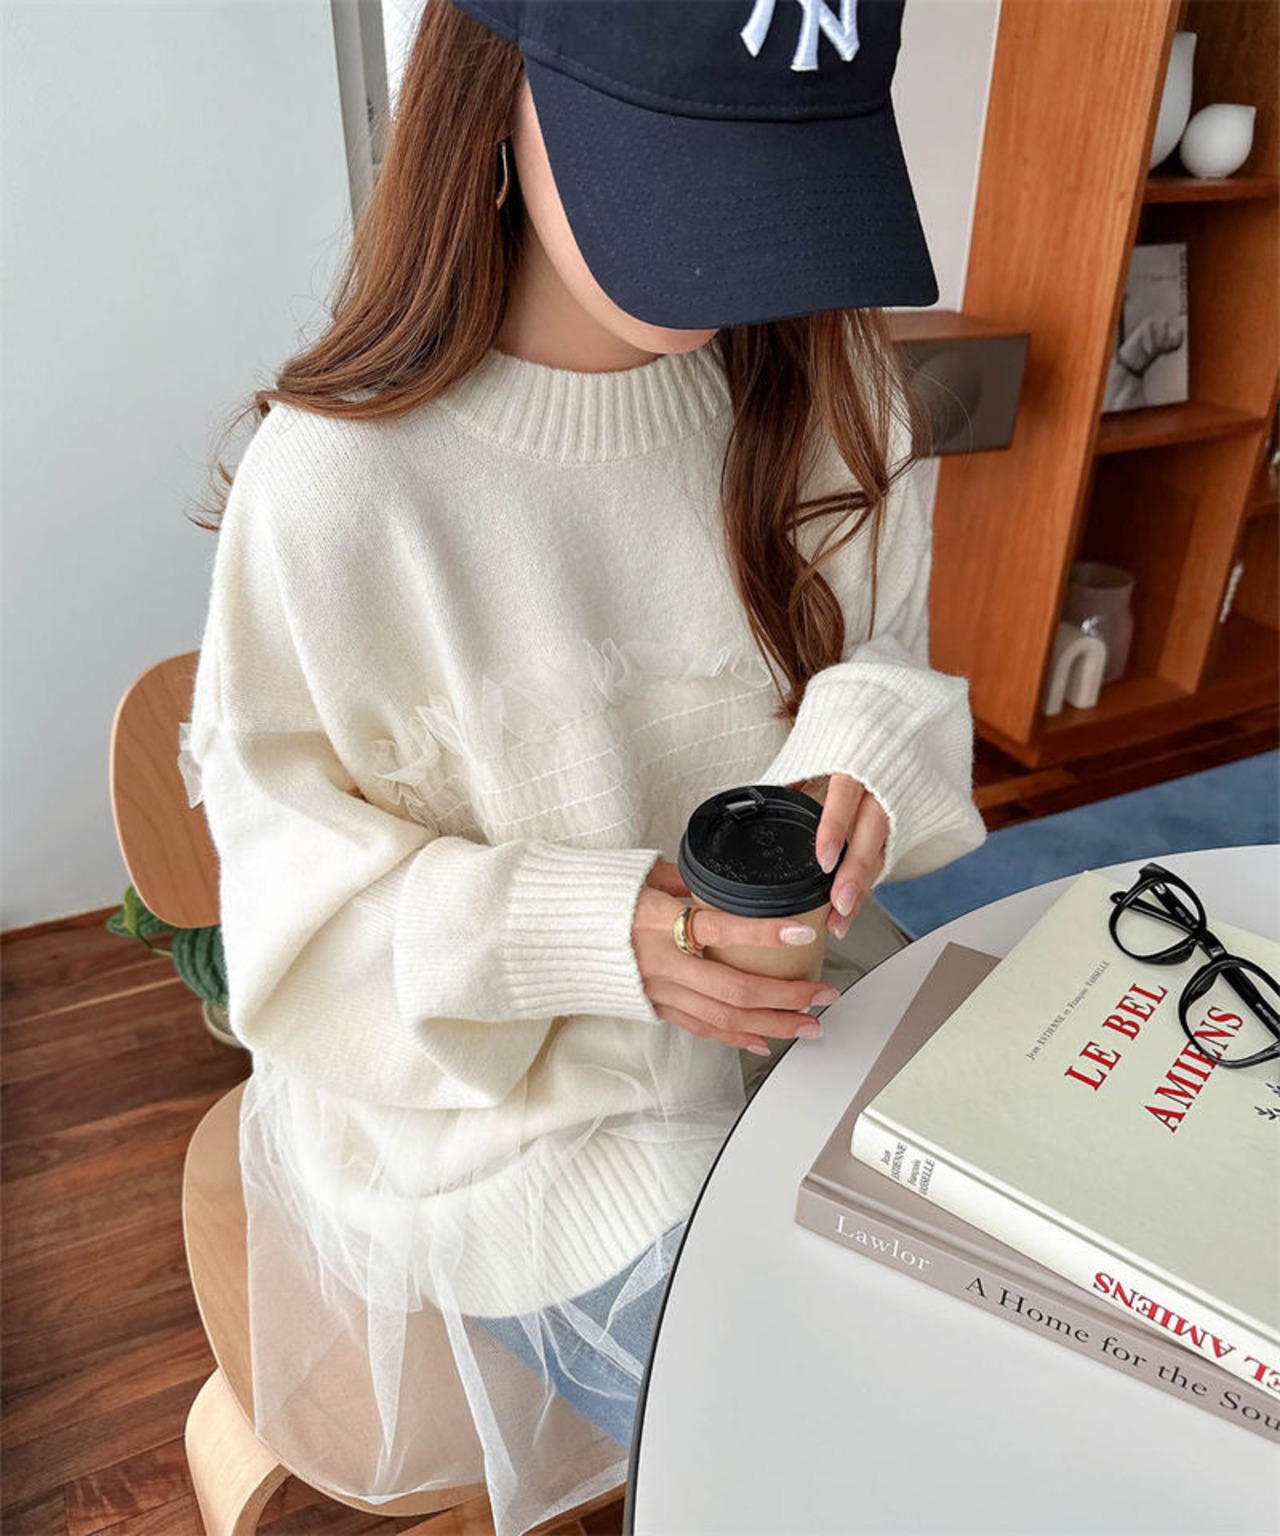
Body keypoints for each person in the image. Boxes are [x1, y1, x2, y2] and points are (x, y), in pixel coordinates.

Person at [178, 2, 987, 1532]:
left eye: (782, 166)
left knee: (1048, 1328)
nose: (745, 254)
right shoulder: (341, 493)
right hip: (524, 1129)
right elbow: (296, 928)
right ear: (495, 88)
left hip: (810, 1018)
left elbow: (883, 652)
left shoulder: (834, 388)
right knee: (845, 1464)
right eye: (684, 159)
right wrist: (598, 932)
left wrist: (857, 755)